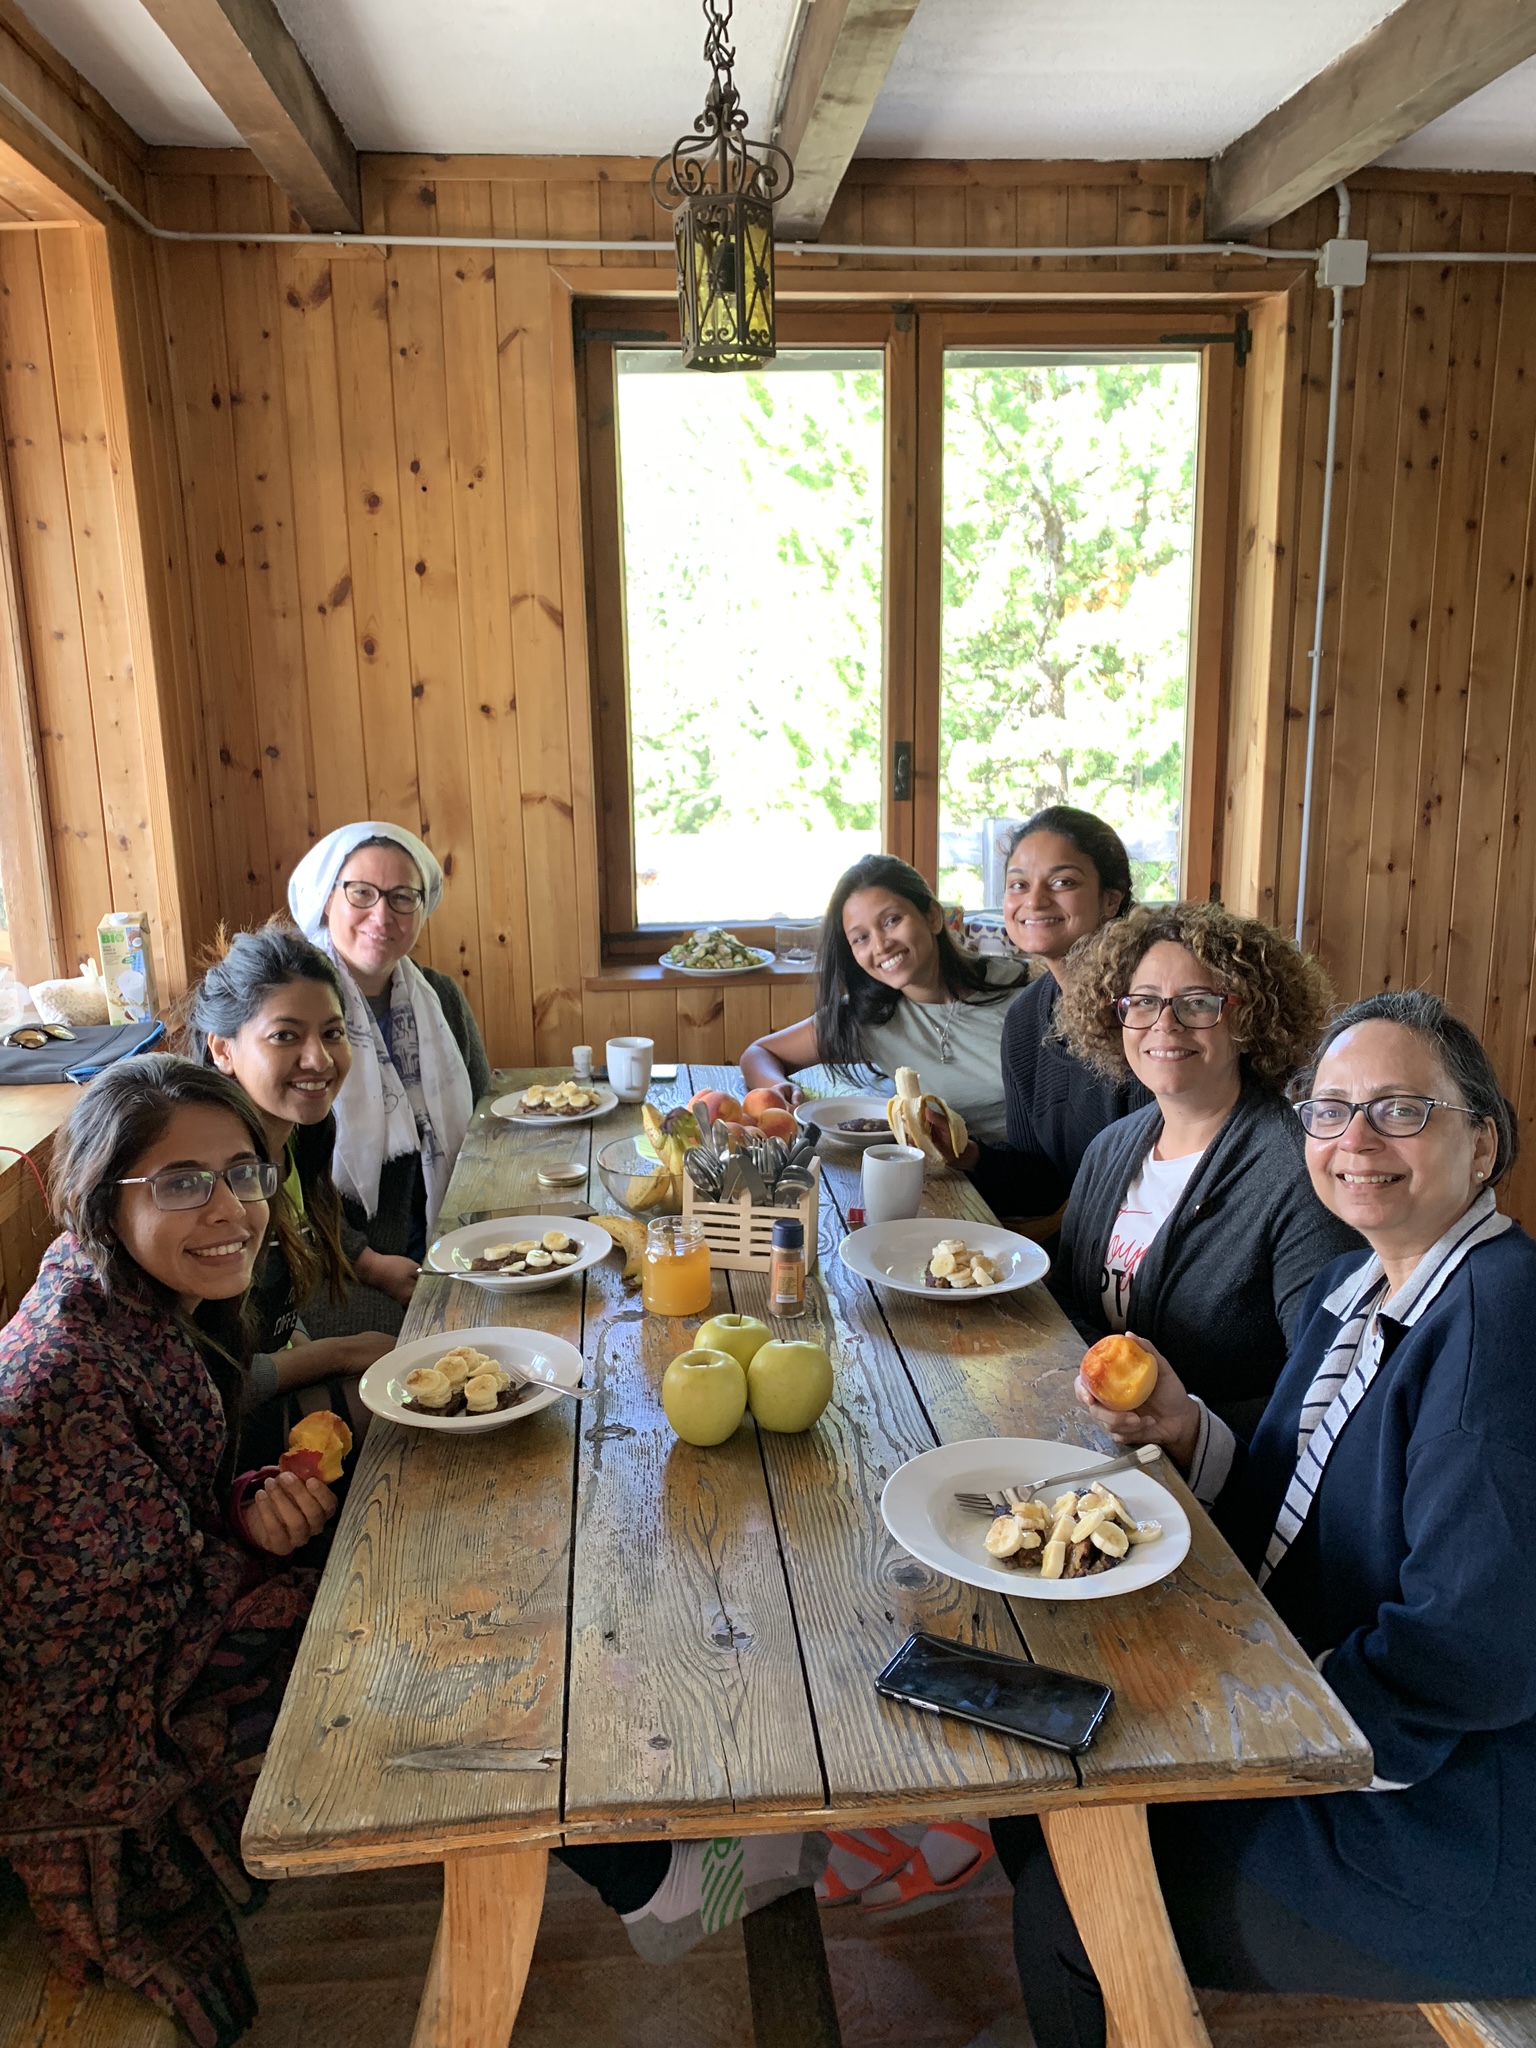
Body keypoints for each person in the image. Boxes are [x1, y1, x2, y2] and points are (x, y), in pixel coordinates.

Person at [994, 989, 1536, 2044]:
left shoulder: (1500, 1321)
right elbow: (1293, 1495)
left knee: (1073, 1897)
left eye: (1401, 1109)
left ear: (1482, 1143)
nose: (1355, 1139)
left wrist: (1228, 1726)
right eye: (1328, 1110)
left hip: (1456, 1820)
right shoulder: (1354, 1288)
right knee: (1035, 1802)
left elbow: (1470, 1655)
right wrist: (1185, 1428)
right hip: (1340, 1725)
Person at [0, 1055, 338, 2047]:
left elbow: (166, 1518)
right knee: (391, 1659)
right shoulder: (63, 1375)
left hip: (160, 1629)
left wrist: (246, 1513)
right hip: (89, 1732)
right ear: (103, 1201)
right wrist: (252, 1546)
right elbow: (108, 1630)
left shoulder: (132, 1301)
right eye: (182, 1182)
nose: (231, 1209)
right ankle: (637, 1873)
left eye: (243, 1172)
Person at [1052, 901, 1360, 1432]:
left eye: (1197, 1003)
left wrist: (1191, 1431)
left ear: (1250, 1018)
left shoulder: (1300, 1171)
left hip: (1226, 1469)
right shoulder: (1109, 1149)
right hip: (1093, 1438)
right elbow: (1066, 1304)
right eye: (1143, 1002)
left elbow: (1323, 1391)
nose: (1164, 1024)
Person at [184, 922, 395, 1447]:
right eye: (285, 1035)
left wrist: (316, 1347)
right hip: (212, 1427)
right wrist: (340, 1353)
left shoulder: (299, 1137)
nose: (319, 1059)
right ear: (223, 1050)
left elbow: (276, 1314)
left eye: (332, 1033)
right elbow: (212, 1375)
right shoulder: (210, 1186)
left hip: (267, 1383)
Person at [286, 821, 491, 1336]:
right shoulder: (295, 1007)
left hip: (443, 1237)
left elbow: (483, 1118)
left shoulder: (440, 999)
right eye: (362, 892)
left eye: (402, 897)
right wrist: (370, 1263)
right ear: (326, 899)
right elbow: (287, 1180)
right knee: (424, 1343)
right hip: (333, 1261)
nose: (382, 915)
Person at [739, 854, 1024, 1154]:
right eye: (861, 938)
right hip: (945, 1172)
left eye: (891, 921)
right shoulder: (871, 1016)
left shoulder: (1021, 991)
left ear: (932, 916)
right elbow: (759, 1052)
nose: (880, 945)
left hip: (1030, 1172)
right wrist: (775, 1087)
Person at [976, 807, 1152, 1223]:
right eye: (1018, 884)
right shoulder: (1025, 1019)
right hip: (1073, 1244)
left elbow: (1159, 1177)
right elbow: (1041, 1185)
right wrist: (968, 1155)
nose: (1034, 900)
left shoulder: (1146, 1006)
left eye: (1062, 882)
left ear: (1111, 899)